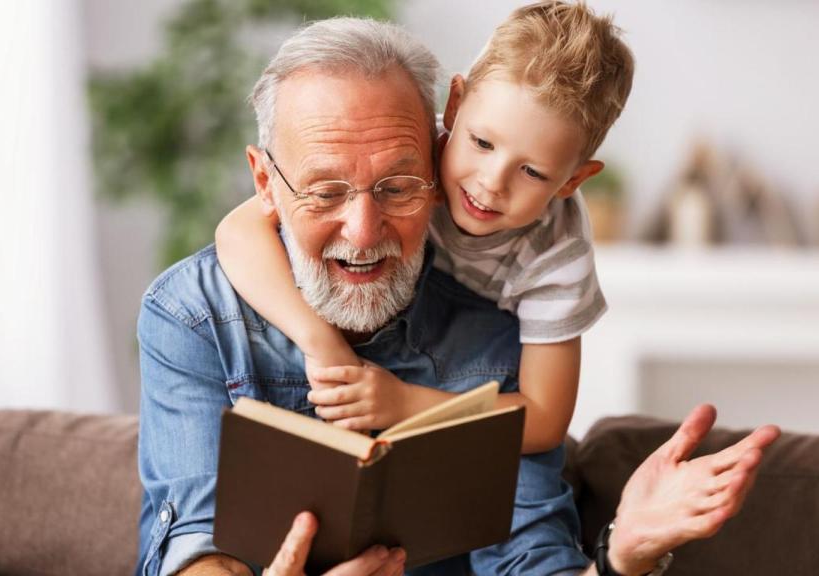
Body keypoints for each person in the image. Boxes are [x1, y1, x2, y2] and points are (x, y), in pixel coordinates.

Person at [136, 15, 779, 576]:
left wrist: (622, 554)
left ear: (571, 180)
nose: (364, 233)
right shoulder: (192, 315)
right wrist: (319, 341)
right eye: (327, 191)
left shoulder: (516, 312)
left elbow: (532, 537)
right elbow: (192, 546)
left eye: (398, 188)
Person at [215, 1, 632, 454]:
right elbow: (237, 233)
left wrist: (407, 405)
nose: (490, 183)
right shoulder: (403, 159)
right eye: (482, 142)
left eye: (532, 172)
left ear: (573, 180)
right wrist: (323, 345)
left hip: (458, 370)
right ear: (454, 106)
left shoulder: (557, 255)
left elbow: (545, 420)